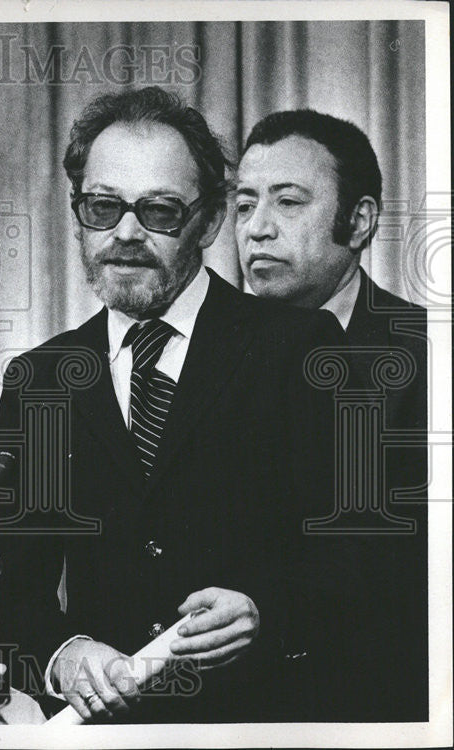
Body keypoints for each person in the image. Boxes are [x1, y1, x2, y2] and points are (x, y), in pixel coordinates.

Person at [0, 87, 356, 723]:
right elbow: (9, 591)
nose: (125, 234)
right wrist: (62, 653)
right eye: (102, 208)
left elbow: (365, 562)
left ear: (210, 221)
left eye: (158, 211)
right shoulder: (39, 379)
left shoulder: (300, 348)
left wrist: (266, 609)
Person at [235, 110, 428, 721]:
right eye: (243, 205)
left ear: (360, 221)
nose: (257, 230)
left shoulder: (425, 354)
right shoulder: (204, 354)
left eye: (288, 202)